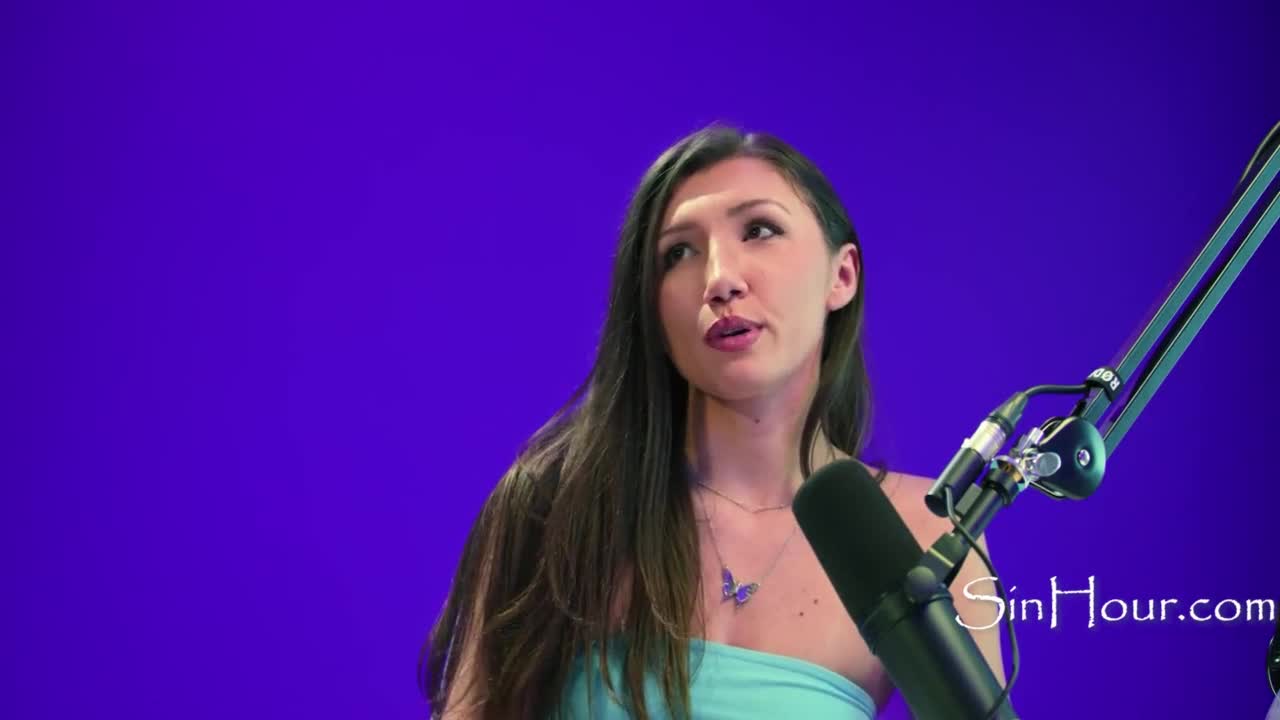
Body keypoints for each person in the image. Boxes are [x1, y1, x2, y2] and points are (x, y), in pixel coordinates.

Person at [419, 125, 1006, 719]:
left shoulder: (930, 537)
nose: (720, 278)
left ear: (842, 276)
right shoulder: (555, 507)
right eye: (678, 253)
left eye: (760, 230)